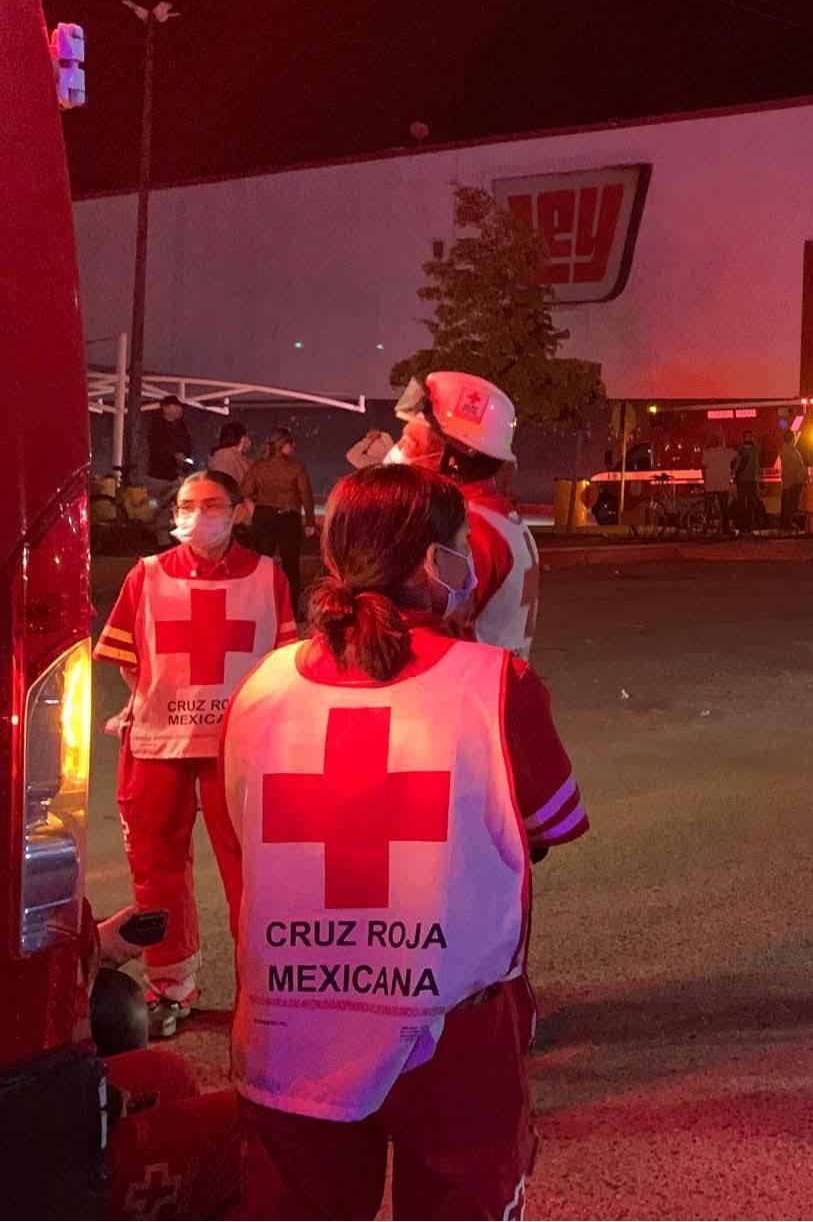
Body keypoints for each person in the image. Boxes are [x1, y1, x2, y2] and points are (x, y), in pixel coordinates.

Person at [221, 464, 588, 1219]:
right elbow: (549, 827)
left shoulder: (260, 689)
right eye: (457, 544)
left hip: (291, 1027)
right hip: (450, 1035)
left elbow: (240, 824)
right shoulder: (497, 681)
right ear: (433, 560)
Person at [91, 469, 294, 1037]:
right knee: (156, 873)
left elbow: (281, 661)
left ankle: (261, 992)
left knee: (251, 875)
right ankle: (169, 988)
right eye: (186, 504)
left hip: (238, 748)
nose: (197, 515)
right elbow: (130, 659)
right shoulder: (147, 574)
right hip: (158, 745)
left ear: (240, 509)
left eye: (211, 504)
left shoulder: (266, 576)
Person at [389, 371, 539, 660]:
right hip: (491, 686)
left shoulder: (469, 529)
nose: (399, 452)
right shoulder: (491, 514)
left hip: (469, 692)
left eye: (412, 443)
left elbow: (431, 629)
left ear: (453, 459)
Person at [243, 428, 315, 618]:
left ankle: (258, 607)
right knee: (291, 565)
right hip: (288, 517)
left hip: (263, 516)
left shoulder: (258, 466)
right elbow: (306, 495)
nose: (293, 447)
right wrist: (309, 522)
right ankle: (291, 609)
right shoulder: (295, 467)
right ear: (283, 445)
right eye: (291, 444)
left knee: (261, 564)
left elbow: (245, 491)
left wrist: (255, 511)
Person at [143, 396, 194, 545]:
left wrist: (184, 459)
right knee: (158, 506)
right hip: (158, 475)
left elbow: (187, 446)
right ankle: (160, 537)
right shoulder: (155, 426)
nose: (180, 410)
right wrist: (173, 456)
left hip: (176, 474)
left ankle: (169, 536)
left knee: (175, 505)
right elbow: (156, 449)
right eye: (176, 407)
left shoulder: (181, 427)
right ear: (165, 408)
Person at [701, 434, 737, 536]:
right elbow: (739, 457)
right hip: (723, 484)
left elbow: (703, 468)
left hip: (711, 484)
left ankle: (704, 529)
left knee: (707, 509)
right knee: (724, 508)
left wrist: (705, 481)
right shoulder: (726, 452)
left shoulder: (707, 453)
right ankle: (726, 529)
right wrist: (733, 471)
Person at [778, 427, 808, 532]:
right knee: (789, 504)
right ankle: (787, 523)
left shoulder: (789, 450)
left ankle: (786, 522)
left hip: (792, 481)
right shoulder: (790, 450)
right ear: (792, 438)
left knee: (789, 503)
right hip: (792, 481)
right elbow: (796, 466)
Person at [207, 420, 252, 489]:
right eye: (248, 437)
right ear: (243, 439)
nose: (250, 442)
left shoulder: (234, 456)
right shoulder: (224, 456)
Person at [734, 430, 763, 535]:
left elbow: (757, 464)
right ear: (744, 438)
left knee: (751, 504)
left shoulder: (755, 449)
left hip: (751, 480)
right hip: (743, 480)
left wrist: (758, 479)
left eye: (750, 436)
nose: (749, 438)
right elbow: (737, 463)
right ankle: (743, 527)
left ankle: (749, 526)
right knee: (742, 504)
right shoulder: (741, 449)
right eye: (747, 436)